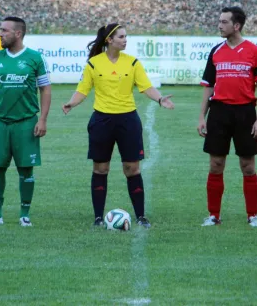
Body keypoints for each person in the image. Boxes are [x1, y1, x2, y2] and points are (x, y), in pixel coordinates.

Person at [62, 23, 174, 228]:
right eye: (121, 37)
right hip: (101, 121)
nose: (125, 40)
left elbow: (146, 86)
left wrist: (159, 99)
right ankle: (97, 218)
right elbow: (83, 90)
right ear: (109, 40)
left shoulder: (132, 63)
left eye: (126, 36)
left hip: (128, 121)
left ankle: (141, 216)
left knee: (132, 169)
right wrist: (72, 102)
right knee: (101, 169)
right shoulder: (94, 64)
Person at [197, 6, 257, 228]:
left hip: (245, 112)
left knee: (248, 165)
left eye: (224, 22)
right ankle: (213, 215)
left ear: (236, 26)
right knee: (216, 164)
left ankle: (252, 215)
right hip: (219, 112)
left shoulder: (254, 51)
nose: (219, 25)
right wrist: (201, 116)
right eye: (219, 21)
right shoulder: (216, 51)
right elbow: (208, 86)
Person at [0, 16, 51, 227]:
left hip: (27, 123)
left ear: (17, 34)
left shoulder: (35, 58)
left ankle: (24, 214)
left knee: (26, 170)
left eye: (4, 30)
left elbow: (45, 89)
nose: (0, 34)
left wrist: (43, 119)